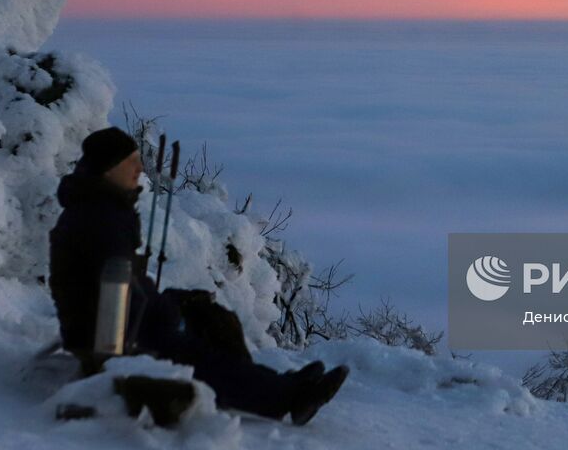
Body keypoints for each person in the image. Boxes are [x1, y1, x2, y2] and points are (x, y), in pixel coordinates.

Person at [48, 127, 348, 425]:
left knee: (205, 316)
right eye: (131, 162)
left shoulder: (100, 209)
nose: (140, 168)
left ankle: (275, 384)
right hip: (107, 334)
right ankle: (287, 398)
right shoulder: (99, 217)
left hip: (114, 320)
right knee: (195, 352)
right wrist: (163, 314)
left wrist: (170, 302)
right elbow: (114, 290)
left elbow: (124, 285)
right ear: (109, 167)